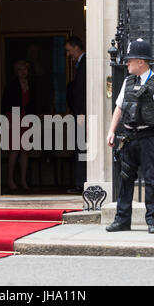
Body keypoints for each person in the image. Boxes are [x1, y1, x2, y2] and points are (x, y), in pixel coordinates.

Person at [105, 38, 154, 234]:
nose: (126, 63)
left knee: (152, 180)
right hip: (129, 137)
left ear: (141, 62)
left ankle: (152, 221)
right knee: (125, 178)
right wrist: (111, 131)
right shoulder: (128, 82)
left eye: (130, 60)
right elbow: (119, 108)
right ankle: (122, 220)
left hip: (149, 138)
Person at [2, 60, 36, 192]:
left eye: (25, 69)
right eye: (20, 69)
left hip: (27, 118)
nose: (23, 72)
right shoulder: (11, 84)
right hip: (14, 116)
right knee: (14, 149)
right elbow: (5, 101)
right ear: (16, 71)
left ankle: (23, 180)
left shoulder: (31, 84)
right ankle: (10, 179)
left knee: (25, 150)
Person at [65, 36, 87, 195]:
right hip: (79, 113)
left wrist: (82, 113)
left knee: (82, 149)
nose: (68, 54)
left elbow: (84, 91)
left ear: (76, 47)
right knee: (80, 148)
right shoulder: (81, 63)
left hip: (82, 115)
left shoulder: (86, 62)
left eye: (69, 50)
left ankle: (81, 184)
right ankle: (81, 182)